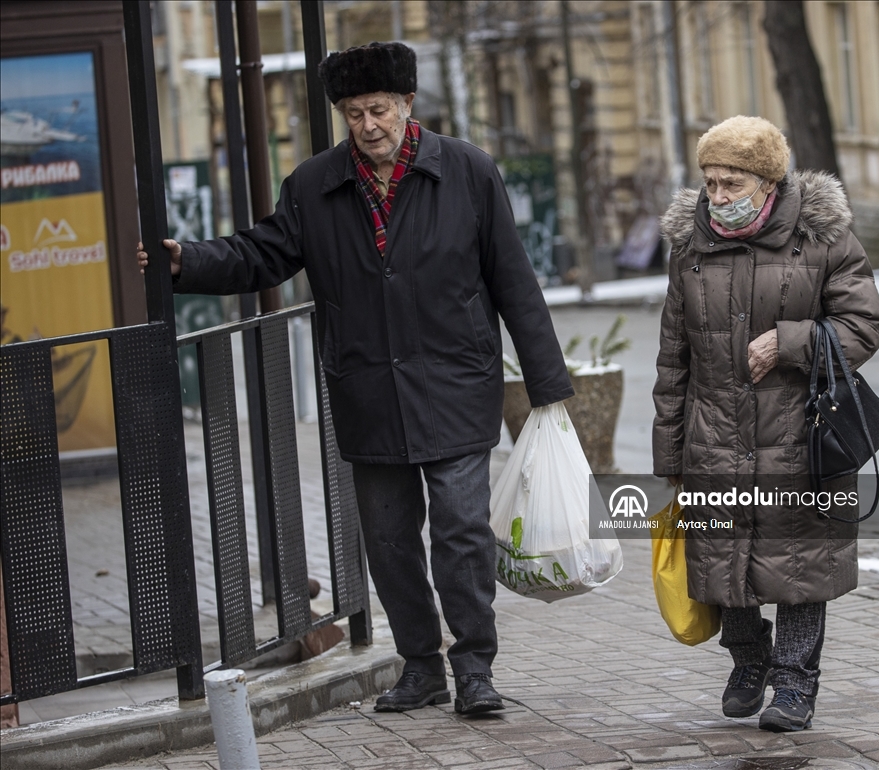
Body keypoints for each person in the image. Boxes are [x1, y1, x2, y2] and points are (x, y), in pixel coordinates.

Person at [137, 42, 573, 715]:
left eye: (379, 110)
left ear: (407, 105)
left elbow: (513, 279)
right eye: (353, 113)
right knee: (392, 542)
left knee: (460, 532)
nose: (368, 125)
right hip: (368, 392)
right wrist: (185, 263)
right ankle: (422, 666)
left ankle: (475, 668)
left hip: (456, 381)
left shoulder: (467, 172)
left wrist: (546, 385)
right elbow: (263, 253)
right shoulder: (314, 185)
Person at [652, 116, 879, 732]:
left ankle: (795, 683)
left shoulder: (823, 238)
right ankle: (749, 660)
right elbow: (672, 357)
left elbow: (864, 325)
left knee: (801, 566)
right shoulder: (690, 250)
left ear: (768, 181)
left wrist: (790, 342)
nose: (718, 198)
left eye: (732, 184)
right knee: (724, 564)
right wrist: (669, 456)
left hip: (800, 436)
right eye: (710, 183)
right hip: (715, 435)